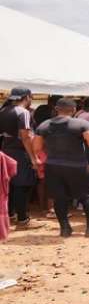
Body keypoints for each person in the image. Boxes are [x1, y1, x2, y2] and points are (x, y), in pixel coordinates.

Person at [34, 97, 89, 237]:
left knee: (59, 197)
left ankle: (65, 229)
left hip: (53, 165)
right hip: (77, 165)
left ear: (56, 109)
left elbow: (37, 147)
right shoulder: (81, 124)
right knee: (87, 195)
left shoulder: (44, 125)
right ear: (73, 110)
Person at [0, 87, 43, 229]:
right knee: (21, 185)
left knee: (9, 184)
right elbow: (26, 137)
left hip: (5, 151)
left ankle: (10, 215)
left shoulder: (3, 111)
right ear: (27, 97)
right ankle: (23, 219)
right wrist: (33, 158)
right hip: (20, 152)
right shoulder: (23, 113)